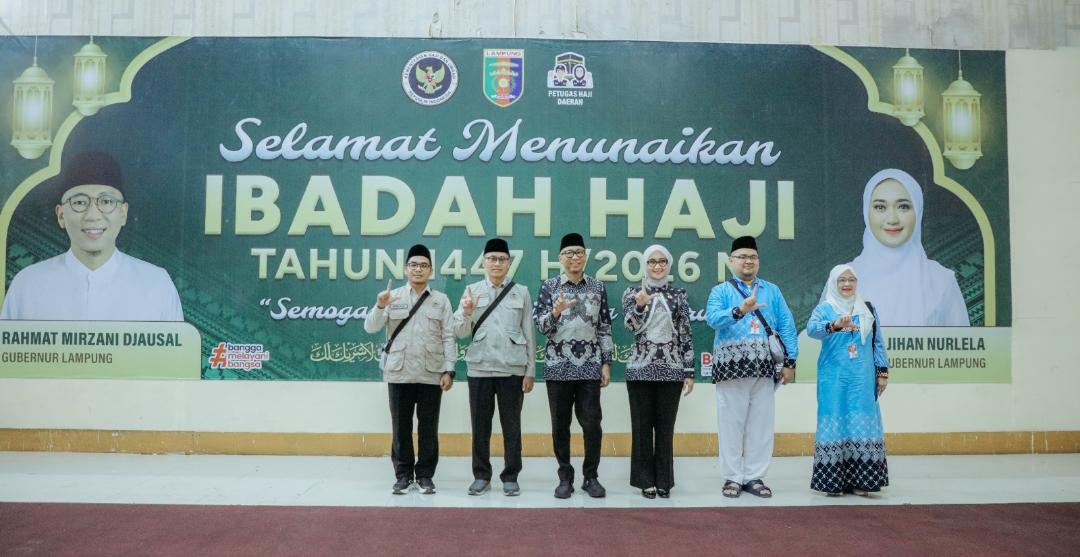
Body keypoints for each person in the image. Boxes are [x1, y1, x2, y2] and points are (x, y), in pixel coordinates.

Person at [1, 151, 183, 321]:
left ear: (123, 213)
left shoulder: (156, 284)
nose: (93, 215)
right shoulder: (28, 284)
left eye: (106, 201)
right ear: (61, 215)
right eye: (80, 202)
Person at [705, 235, 797, 499]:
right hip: (731, 368)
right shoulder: (721, 291)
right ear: (731, 261)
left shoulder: (772, 291)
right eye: (742, 257)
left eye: (753, 257)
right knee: (730, 424)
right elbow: (712, 319)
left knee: (761, 425)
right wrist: (739, 310)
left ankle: (754, 477)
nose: (748, 261)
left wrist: (790, 361)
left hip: (764, 368)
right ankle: (732, 477)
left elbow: (786, 325)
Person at [363, 244, 455, 495]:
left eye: (423, 265)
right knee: (401, 427)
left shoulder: (441, 300)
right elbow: (370, 327)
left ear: (431, 271)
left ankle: (425, 476)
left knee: (428, 428)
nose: (418, 269)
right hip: (399, 372)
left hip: (431, 373)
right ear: (405, 269)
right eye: (413, 265)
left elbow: (448, 336)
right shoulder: (392, 297)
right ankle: (403, 476)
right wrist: (379, 305)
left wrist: (449, 370)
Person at [454, 238, 536, 496]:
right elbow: (459, 332)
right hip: (480, 369)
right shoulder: (471, 290)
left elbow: (529, 332)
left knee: (512, 427)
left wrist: (530, 370)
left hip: (512, 369)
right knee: (480, 427)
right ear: (484, 262)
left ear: (509, 262)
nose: (497, 263)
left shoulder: (521, 291)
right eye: (492, 258)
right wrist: (466, 312)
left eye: (502, 259)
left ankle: (511, 476)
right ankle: (481, 476)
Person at [534, 232, 612, 499]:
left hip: (590, 366)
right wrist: (555, 312)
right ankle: (565, 477)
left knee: (592, 424)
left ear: (585, 256)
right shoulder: (549, 287)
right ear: (560, 258)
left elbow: (604, 327)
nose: (574, 257)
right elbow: (541, 327)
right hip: (558, 367)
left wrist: (606, 362)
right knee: (560, 426)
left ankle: (591, 477)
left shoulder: (598, 287)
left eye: (579, 252)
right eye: (569, 253)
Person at [839, 168, 969, 327]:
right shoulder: (842, 280)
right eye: (880, 207)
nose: (892, 219)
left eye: (903, 207)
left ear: (918, 211)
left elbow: (960, 342)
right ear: (866, 212)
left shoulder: (941, 281)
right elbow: (822, 340)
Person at [806, 264, 889, 496]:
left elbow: (877, 342)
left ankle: (863, 482)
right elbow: (811, 330)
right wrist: (835, 325)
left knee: (861, 422)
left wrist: (882, 373)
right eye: (841, 280)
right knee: (835, 420)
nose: (847, 284)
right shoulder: (825, 309)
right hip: (834, 378)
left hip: (862, 377)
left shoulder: (867, 309)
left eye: (851, 279)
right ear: (833, 283)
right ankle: (833, 482)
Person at [622, 244, 695, 499]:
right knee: (642, 429)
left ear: (669, 265)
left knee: (665, 429)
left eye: (662, 261)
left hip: (671, 371)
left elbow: (685, 333)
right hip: (640, 372)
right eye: (652, 261)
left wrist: (689, 371)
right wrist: (640, 306)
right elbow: (629, 327)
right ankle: (645, 481)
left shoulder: (679, 295)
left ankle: (664, 481)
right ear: (645, 265)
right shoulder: (632, 292)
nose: (657, 266)